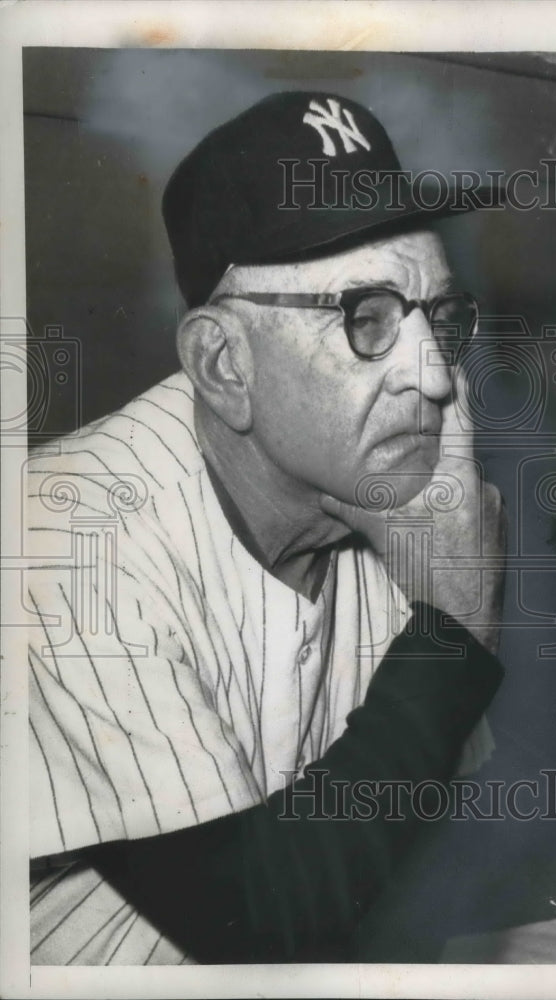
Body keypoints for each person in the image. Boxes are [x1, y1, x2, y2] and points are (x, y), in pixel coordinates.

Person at [27, 91, 506, 965]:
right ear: (223, 363)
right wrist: (454, 634)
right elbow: (259, 924)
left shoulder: (388, 504)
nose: (435, 380)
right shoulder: (65, 534)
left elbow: (378, 869)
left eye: (440, 318)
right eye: (366, 318)